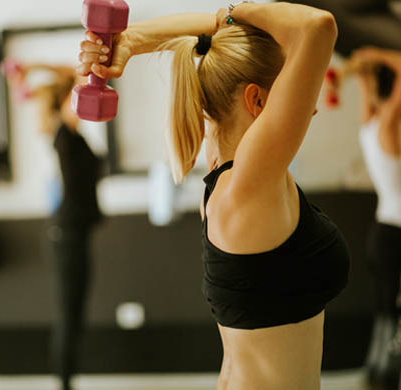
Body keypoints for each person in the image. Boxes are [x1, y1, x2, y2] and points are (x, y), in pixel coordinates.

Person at [77, 2, 350, 389]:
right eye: (300, 93)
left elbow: (209, 39)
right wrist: (234, 11)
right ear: (256, 101)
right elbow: (318, 26)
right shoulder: (248, 185)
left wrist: (134, 40)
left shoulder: (235, 177)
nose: (313, 108)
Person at [5, 62, 102, 390]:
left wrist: (32, 69)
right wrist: (34, 68)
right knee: (68, 314)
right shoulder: (63, 134)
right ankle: (63, 383)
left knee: (73, 314)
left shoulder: (67, 137)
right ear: (65, 101)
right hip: (67, 234)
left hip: (73, 233)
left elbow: (70, 76)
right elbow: (77, 74)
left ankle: (66, 380)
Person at [327, 47, 401, 389]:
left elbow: (365, 89)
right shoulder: (386, 127)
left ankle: (379, 375)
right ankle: (385, 377)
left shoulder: (368, 128)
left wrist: (362, 70)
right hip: (395, 234)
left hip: (383, 234)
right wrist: (378, 54)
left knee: (387, 311)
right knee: (393, 314)